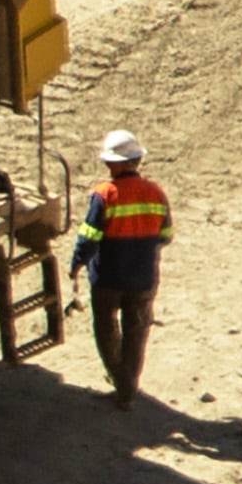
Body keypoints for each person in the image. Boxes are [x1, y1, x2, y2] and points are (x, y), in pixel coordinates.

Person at [70, 129, 172, 408]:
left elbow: (89, 237)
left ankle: (121, 382)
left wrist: (77, 262)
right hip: (143, 278)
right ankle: (127, 387)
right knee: (136, 333)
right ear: (137, 160)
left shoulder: (104, 194)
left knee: (105, 329)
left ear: (114, 164)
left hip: (107, 278)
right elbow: (166, 235)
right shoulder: (156, 193)